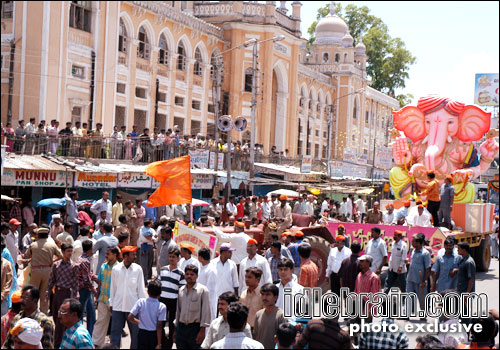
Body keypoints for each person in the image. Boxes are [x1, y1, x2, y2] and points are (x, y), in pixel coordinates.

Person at [109, 246, 146, 349]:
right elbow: (113, 288)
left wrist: (142, 307)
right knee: (115, 334)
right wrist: (111, 304)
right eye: (132, 255)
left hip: (133, 308)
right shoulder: (116, 269)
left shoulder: (138, 269)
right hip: (118, 307)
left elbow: (141, 290)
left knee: (136, 335)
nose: (135, 256)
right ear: (125, 256)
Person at [2, 285, 55, 349]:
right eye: (21, 297)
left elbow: (48, 346)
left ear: (35, 301)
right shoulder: (17, 318)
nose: (21, 301)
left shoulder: (44, 322)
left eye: (25, 298)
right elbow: (7, 343)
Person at [48, 243, 79, 348]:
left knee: (65, 321)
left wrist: (74, 299)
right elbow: (51, 281)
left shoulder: (75, 266)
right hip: (57, 294)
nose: (70, 253)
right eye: (68, 251)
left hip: (67, 294)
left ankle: (63, 344)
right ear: (62, 252)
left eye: (71, 251)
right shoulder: (56, 265)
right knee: (57, 320)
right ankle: (57, 344)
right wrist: (47, 296)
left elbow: (75, 285)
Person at [175, 264, 211, 349]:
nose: (189, 276)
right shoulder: (181, 290)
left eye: (192, 274)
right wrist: (176, 330)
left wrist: (202, 331)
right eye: (187, 274)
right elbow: (178, 311)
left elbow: (205, 312)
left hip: (195, 329)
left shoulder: (203, 290)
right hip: (181, 328)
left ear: (197, 276)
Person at [159, 246, 186, 349]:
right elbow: (158, 283)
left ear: (178, 258)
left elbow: (181, 290)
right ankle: (161, 342)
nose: (171, 259)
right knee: (160, 322)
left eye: (173, 257)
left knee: (171, 324)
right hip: (162, 300)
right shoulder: (163, 270)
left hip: (174, 301)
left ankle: (169, 344)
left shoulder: (181, 273)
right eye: (170, 256)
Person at [92, 247, 119, 348]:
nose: (106, 256)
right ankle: (96, 343)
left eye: (108, 254)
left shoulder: (119, 268)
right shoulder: (103, 266)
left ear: (115, 255)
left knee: (116, 324)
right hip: (103, 299)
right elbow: (100, 283)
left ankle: (114, 345)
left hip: (114, 300)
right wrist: (97, 297)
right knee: (100, 321)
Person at [127, 279, 166, 350]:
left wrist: (138, 322)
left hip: (142, 334)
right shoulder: (162, 306)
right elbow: (159, 326)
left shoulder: (141, 302)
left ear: (147, 292)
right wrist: (159, 343)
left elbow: (130, 317)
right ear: (160, 293)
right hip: (154, 335)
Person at [253, 283, 285, 348]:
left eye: (268, 295)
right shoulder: (258, 314)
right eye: (262, 294)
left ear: (275, 297)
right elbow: (255, 336)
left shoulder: (281, 315)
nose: (264, 297)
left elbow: (282, 339)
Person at [406, 233, 431, 316]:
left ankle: (423, 314)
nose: (412, 243)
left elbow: (427, 268)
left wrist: (424, 281)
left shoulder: (425, 253)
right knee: (409, 297)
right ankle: (407, 314)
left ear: (418, 243)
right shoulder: (413, 251)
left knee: (422, 299)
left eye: (413, 242)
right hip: (410, 278)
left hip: (419, 280)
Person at [76, 240, 97, 336]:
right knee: (83, 314)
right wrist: (94, 289)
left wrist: (96, 278)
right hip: (84, 289)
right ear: (90, 249)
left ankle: (89, 334)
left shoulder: (80, 258)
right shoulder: (86, 261)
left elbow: (88, 274)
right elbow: (86, 279)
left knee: (91, 312)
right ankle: (82, 335)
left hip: (83, 288)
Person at [354, 255, 381, 322]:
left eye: (362, 261)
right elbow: (356, 291)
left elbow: (374, 296)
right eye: (359, 261)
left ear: (368, 263)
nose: (359, 263)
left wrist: (370, 312)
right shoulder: (359, 275)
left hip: (366, 312)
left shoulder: (374, 278)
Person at [384, 230, 408, 294]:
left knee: (403, 285)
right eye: (394, 235)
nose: (394, 236)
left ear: (400, 236)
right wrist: (390, 265)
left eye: (396, 235)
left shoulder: (404, 245)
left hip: (400, 269)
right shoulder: (393, 243)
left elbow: (403, 257)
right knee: (388, 283)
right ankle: (383, 298)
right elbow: (392, 255)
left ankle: (403, 301)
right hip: (392, 267)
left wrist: (400, 267)